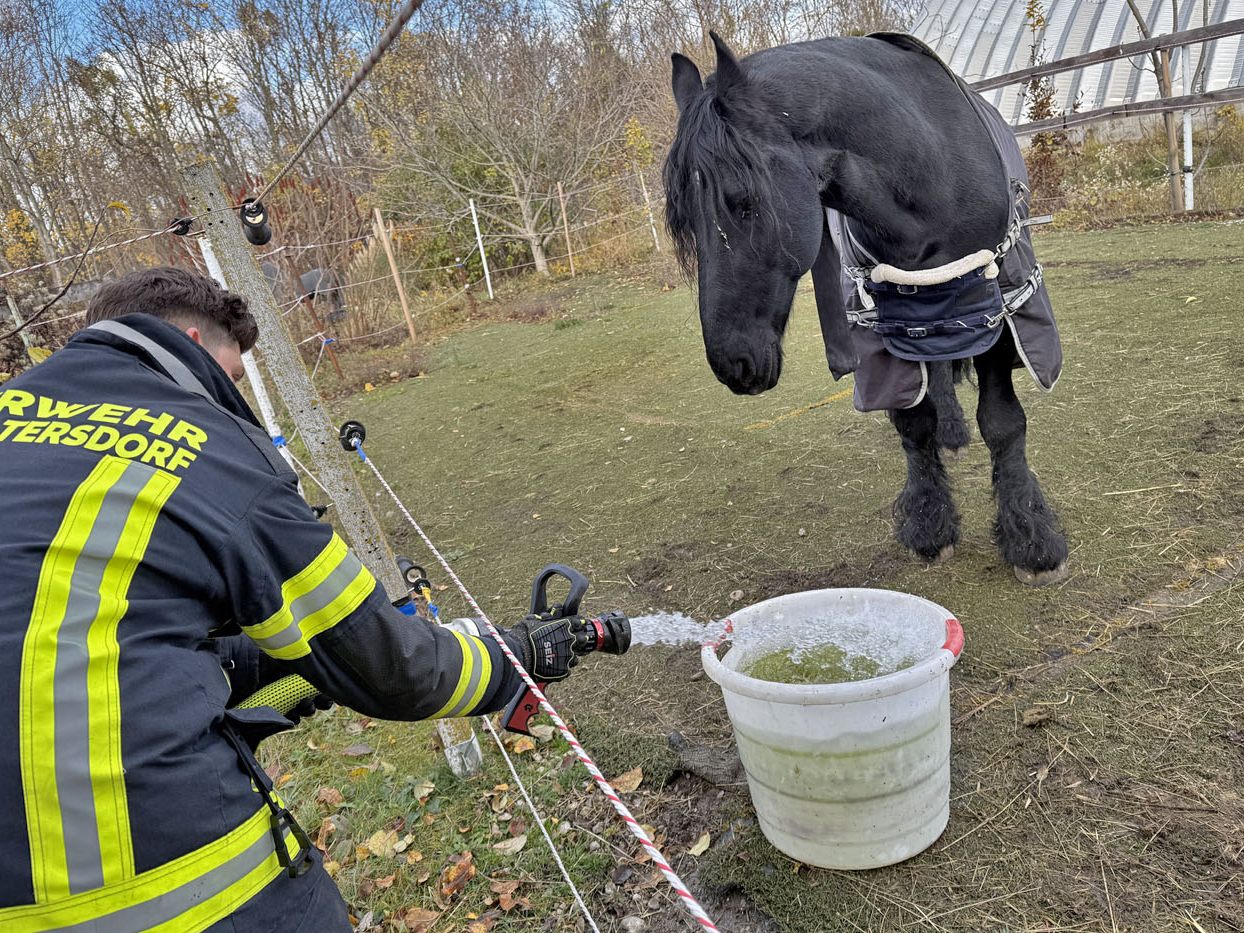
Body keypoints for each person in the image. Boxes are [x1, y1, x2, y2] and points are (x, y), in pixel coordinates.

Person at [0, 267, 578, 931]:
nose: (230, 398)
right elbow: (391, 667)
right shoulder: (201, 444)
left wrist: (268, 665)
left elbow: (78, 638)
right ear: (191, 340)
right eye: (232, 378)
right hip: (177, 891)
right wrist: (514, 654)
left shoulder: (17, 416)